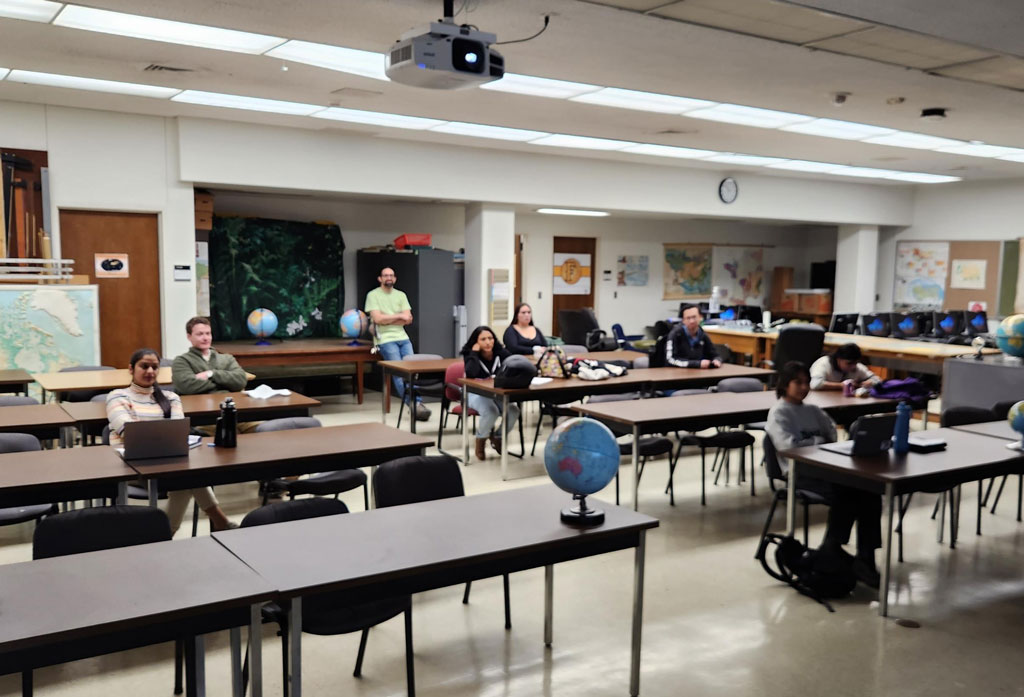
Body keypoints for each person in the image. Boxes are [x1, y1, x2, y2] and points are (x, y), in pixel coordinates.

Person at [765, 361, 881, 588]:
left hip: (826, 468)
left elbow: (831, 435)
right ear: (784, 384)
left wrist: (816, 442)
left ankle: (866, 555)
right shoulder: (779, 414)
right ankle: (833, 546)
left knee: (869, 490)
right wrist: (817, 442)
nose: (803, 387)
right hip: (800, 472)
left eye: (806, 382)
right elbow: (789, 447)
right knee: (846, 492)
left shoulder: (813, 410)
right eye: (797, 382)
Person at [107, 348, 235, 534]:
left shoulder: (171, 398)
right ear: (131, 369)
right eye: (144, 366)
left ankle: (165, 534)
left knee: (186, 476)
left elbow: (177, 431)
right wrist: (162, 437)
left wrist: (158, 437)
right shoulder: (117, 396)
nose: (150, 371)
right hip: (131, 464)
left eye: (154, 367)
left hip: (168, 462)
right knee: (188, 476)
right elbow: (129, 433)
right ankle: (218, 520)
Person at [365, 267, 430, 421]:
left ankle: (416, 404)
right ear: (380, 279)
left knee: (413, 370)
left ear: (395, 279)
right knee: (399, 373)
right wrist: (399, 316)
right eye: (386, 275)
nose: (389, 277)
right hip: (385, 340)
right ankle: (415, 404)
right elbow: (378, 320)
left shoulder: (401, 295)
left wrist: (388, 318)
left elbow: (408, 319)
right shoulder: (373, 295)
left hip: (403, 337)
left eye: (391, 275)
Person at [461, 325, 521, 461]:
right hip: (474, 392)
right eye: (483, 339)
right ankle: (480, 440)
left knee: (514, 410)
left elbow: (514, 364)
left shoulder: (501, 353)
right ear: (476, 342)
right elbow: (471, 373)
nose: (488, 342)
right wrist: (474, 354)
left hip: (496, 392)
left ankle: (498, 437)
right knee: (491, 411)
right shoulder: (470, 354)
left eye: (490, 338)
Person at [171, 316, 249, 395]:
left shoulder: (227, 359)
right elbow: (186, 387)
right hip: (198, 405)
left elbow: (241, 381)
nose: (205, 338)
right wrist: (226, 384)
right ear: (189, 336)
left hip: (225, 404)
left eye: (208, 333)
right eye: (200, 334)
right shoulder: (182, 361)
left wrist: (211, 374)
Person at [666, 304, 722, 368]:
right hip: (677, 373)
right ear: (683, 320)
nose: (691, 321)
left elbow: (715, 355)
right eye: (688, 318)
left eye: (694, 317)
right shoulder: (675, 334)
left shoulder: (703, 335)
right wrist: (697, 364)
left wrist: (717, 360)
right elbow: (670, 360)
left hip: (698, 373)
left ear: (701, 317)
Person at [810, 342, 880, 391]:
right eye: (849, 363)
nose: (853, 367)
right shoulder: (823, 364)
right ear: (839, 359)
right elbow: (815, 384)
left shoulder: (857, 367)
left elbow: (877, 380)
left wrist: (870, 382)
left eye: (855, 363)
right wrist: (841, 385)